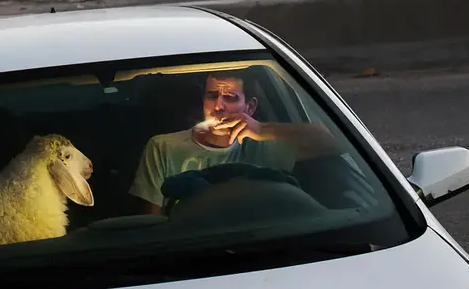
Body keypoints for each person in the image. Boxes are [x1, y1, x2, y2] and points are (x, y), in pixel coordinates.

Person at [129, 72, 340, 214]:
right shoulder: (163, 146)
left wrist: (264, 130)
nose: (218, 107)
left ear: (250, 107)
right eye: (212, 96)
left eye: (230, 97)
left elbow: (338, 141)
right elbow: (153, 222)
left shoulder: (267, 144)